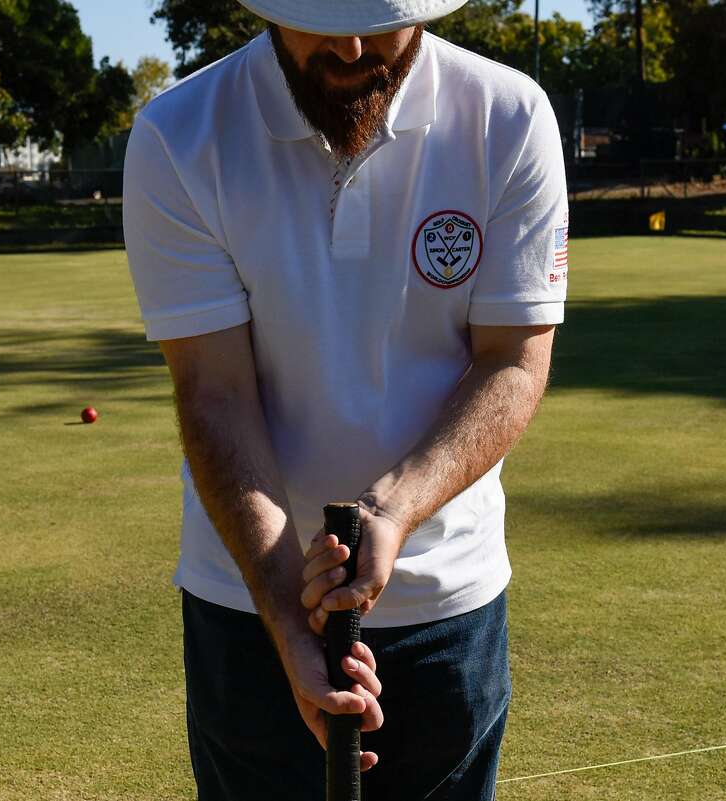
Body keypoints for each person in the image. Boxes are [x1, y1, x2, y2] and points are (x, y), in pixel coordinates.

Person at [122, 0, 568, 797]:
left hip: (447, 600)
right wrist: (291, 626)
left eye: (380, 18)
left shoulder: (507, 115)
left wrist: (393, 510)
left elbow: (514, 362)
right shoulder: (179, 134)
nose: (354, 45)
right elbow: (215, 391)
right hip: (246, 601)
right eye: (322, 17)